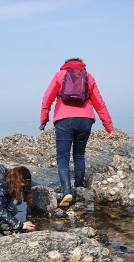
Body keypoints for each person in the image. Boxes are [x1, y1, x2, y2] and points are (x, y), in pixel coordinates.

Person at [39, 57, 113, 207]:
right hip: (85, 120)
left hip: (64, 119)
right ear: (81, 65)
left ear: (65, 64)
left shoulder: (60, 75)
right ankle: (79, 188)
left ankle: (67, 191)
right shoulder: (88, 76)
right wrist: (108, 125)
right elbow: (99, 102)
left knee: (62, 156)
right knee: (79, 155)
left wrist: (44, 118)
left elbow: (47, 97)